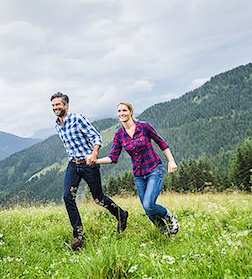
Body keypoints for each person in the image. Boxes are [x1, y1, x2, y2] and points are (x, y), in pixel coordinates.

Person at [50, 92, 129, 250]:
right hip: (73, 164)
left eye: (58, 105)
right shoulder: (57, 124)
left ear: (66, 105)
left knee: (98, 199)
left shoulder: (78, 119)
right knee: (68, 197)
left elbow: (96, 136)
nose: (55, 108)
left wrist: (94, 154)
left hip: (88, 164)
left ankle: (121, 215)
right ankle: (78, 236)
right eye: (53, 105)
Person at [94, 102, 180, 235]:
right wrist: (96, 161)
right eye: (119, 111)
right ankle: (165, 233)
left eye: (124, 110)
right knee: (148, 211)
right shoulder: (119, 135)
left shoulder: (144, 127)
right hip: (138, 175)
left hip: (154, 169)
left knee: (149, 205)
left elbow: (161, 142)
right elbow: (113, 157)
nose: (121, 113)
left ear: (130, 112)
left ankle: (169, 217)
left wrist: (171, 161)